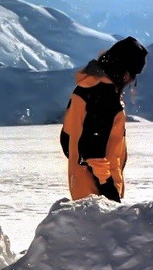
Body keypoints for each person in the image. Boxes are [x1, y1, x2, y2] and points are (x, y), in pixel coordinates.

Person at [59, 36, 146, 202]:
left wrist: (79, 166)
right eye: (133, 75)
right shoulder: (105, 96)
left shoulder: (84, 88)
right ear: (125, 72)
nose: (131, 81)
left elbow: (66, 138)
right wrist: (109, 190)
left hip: (81, 189)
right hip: (98, 196)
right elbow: (92, 151)